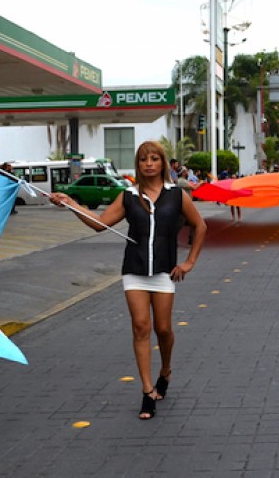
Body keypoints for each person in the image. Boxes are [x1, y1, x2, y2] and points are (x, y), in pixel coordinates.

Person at [50, 141, 207, 420]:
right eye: (144, 159)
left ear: (162, 163)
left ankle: (165, 370)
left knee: (163, 329)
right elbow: (100, 224)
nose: (149, 163)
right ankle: (147, 392)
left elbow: (200, 225)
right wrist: (71, 203)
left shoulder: (177, 195)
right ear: (139, 164)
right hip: (134, 271)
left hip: (164, 272)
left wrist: (189, 262)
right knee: (140, 327)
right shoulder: (128, 196)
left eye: (155, 158)